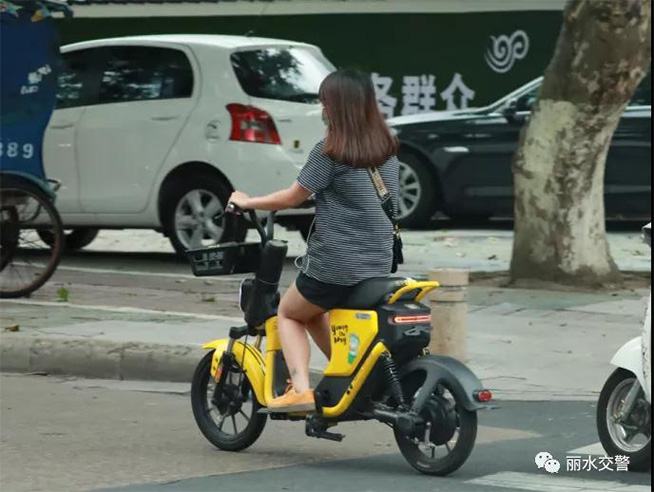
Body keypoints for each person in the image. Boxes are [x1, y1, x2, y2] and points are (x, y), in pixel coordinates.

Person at [228, 69, 399, 412]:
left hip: (337, 265)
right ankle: (353, 374)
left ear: (337, 107)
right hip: (378, 264)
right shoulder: (386, 149)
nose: (322, 108)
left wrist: (248, 202)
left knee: (289, 313)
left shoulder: (330, 151)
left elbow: (293, 197)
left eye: (324, 102)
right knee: (314, 310)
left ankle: (301, 390)